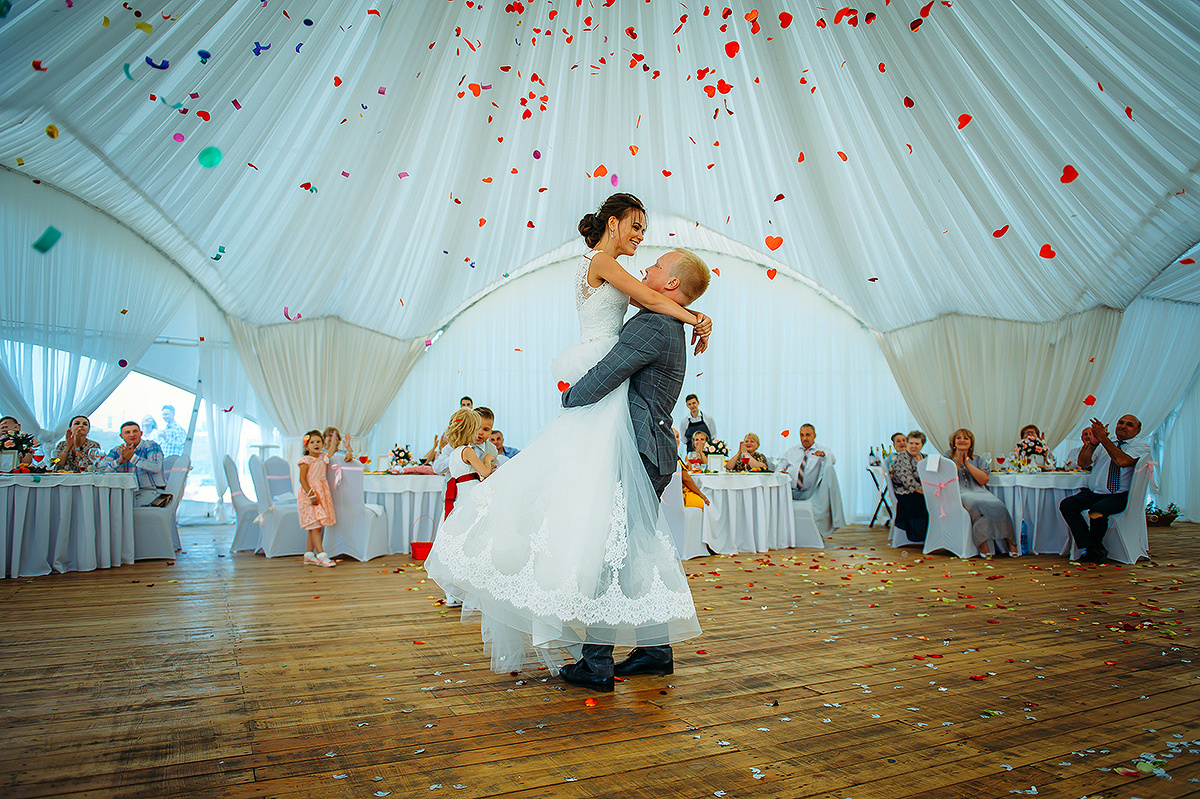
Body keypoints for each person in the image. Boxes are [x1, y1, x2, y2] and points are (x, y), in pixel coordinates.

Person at [425, 192, 711, 692]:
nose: (646, 260)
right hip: (648, 443)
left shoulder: (655, 320)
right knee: (633, 547)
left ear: (670, 285)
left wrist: (570, 397)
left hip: (638, 444)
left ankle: (599, 662)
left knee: (607, 547)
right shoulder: (656, 313)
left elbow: (611, 370)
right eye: (638, 229)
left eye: (656, 263)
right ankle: (655, 650)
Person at [1059, 414, 1149, 563]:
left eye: (1129, 424)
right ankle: (1094, 547)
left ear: (1138, 430)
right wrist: (1094, 443)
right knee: (1067, 505)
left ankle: (1093, 550)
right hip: (1095, 493)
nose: (1123, 426)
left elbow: (1121, 460)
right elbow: (1083, 462)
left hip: (1118, 495)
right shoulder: (1105, 442)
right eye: (1121, 422)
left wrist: (1104, 439)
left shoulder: (1140, 445)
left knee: (1097, 511)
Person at [947, 428, 1018, 558]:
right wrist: (958, 462)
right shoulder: (946, 458)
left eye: (966, 438)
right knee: (977, 507)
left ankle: (1011, 543)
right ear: (953, 442)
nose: (962, 440)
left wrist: (967, 464)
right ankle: (983, 544)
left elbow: (984, 480)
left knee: (999, 506)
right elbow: (947, 479)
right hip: (959, 492)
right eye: (959, 438)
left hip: (980, 491)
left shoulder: (978, 459)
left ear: (971, 442)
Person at [99, 421, 168, 506]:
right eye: (127, 432)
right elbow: (100, 471)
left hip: (152, 492)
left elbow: (156, 467)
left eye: (135, 431)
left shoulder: (151, 446)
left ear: (141, 433)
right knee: (106, 505)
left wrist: (132, 458)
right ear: (121, 436)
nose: (132, 435)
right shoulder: (116, 450)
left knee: (122, 509)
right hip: (125, 493)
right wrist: (118, 462)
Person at [441, 409, 494, 519]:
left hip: (459, 494)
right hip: (470, 492)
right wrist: (487, 460)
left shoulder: (454, 453)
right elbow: (485, 473)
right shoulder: (468, 451)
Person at [297, 430, 336, 567]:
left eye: (318, 441)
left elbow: (332, 451)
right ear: (306, 447)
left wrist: (336, 440)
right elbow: (302, 480)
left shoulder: (323, 457)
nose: (316, 444)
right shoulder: (305, 461)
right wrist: (311, 495)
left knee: (313, 527)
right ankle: (321, 555)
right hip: (310, 495)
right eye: (312, 442)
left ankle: (309, 555)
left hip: (321, 492)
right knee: (316, 527)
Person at [889, 430, 929, 543]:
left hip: (923, 490)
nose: (913, 446)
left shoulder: (925, 457)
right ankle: (921, 535)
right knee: (928, 503)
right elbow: (909, 482)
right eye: (911, 443)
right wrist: (928, 493)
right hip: (907, 493)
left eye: (917, 444)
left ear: (922, 445)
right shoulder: (902, 457)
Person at [778, 423, 833, 501]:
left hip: (811, 493)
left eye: (808, 435)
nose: (804, 438)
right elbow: (781, 465)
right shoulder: (792, 451)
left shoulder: (821, 450)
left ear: (814, 436)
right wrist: (781, 472)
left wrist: (823, 455)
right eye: (802, 435)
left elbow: (832, 459)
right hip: (789, 491)